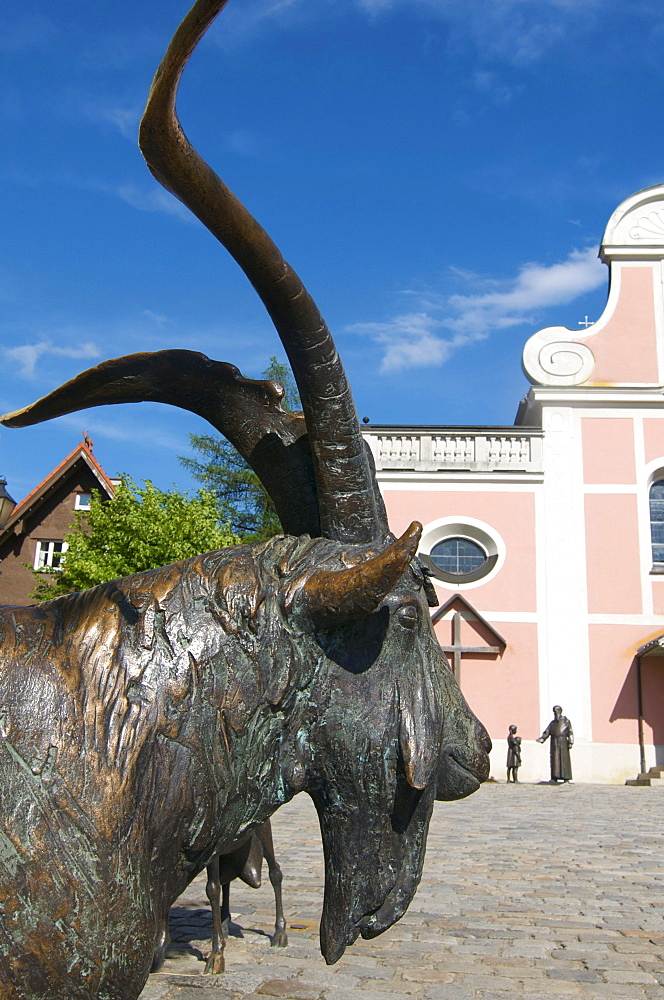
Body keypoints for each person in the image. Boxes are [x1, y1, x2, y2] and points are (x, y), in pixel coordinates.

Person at [536, 705, 573, 782]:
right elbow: (547, 732)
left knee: (564, 760)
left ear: (560, 711)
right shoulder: (552, 723)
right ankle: (554, 777)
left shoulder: (566, 721)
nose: (555, 713)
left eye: (556, 711)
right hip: (554, 742)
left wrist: (570, 742)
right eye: (554, 712)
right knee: (554, 760)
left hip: (563, 742)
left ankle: (566, 778)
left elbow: (570, 732)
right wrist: (542, 738)